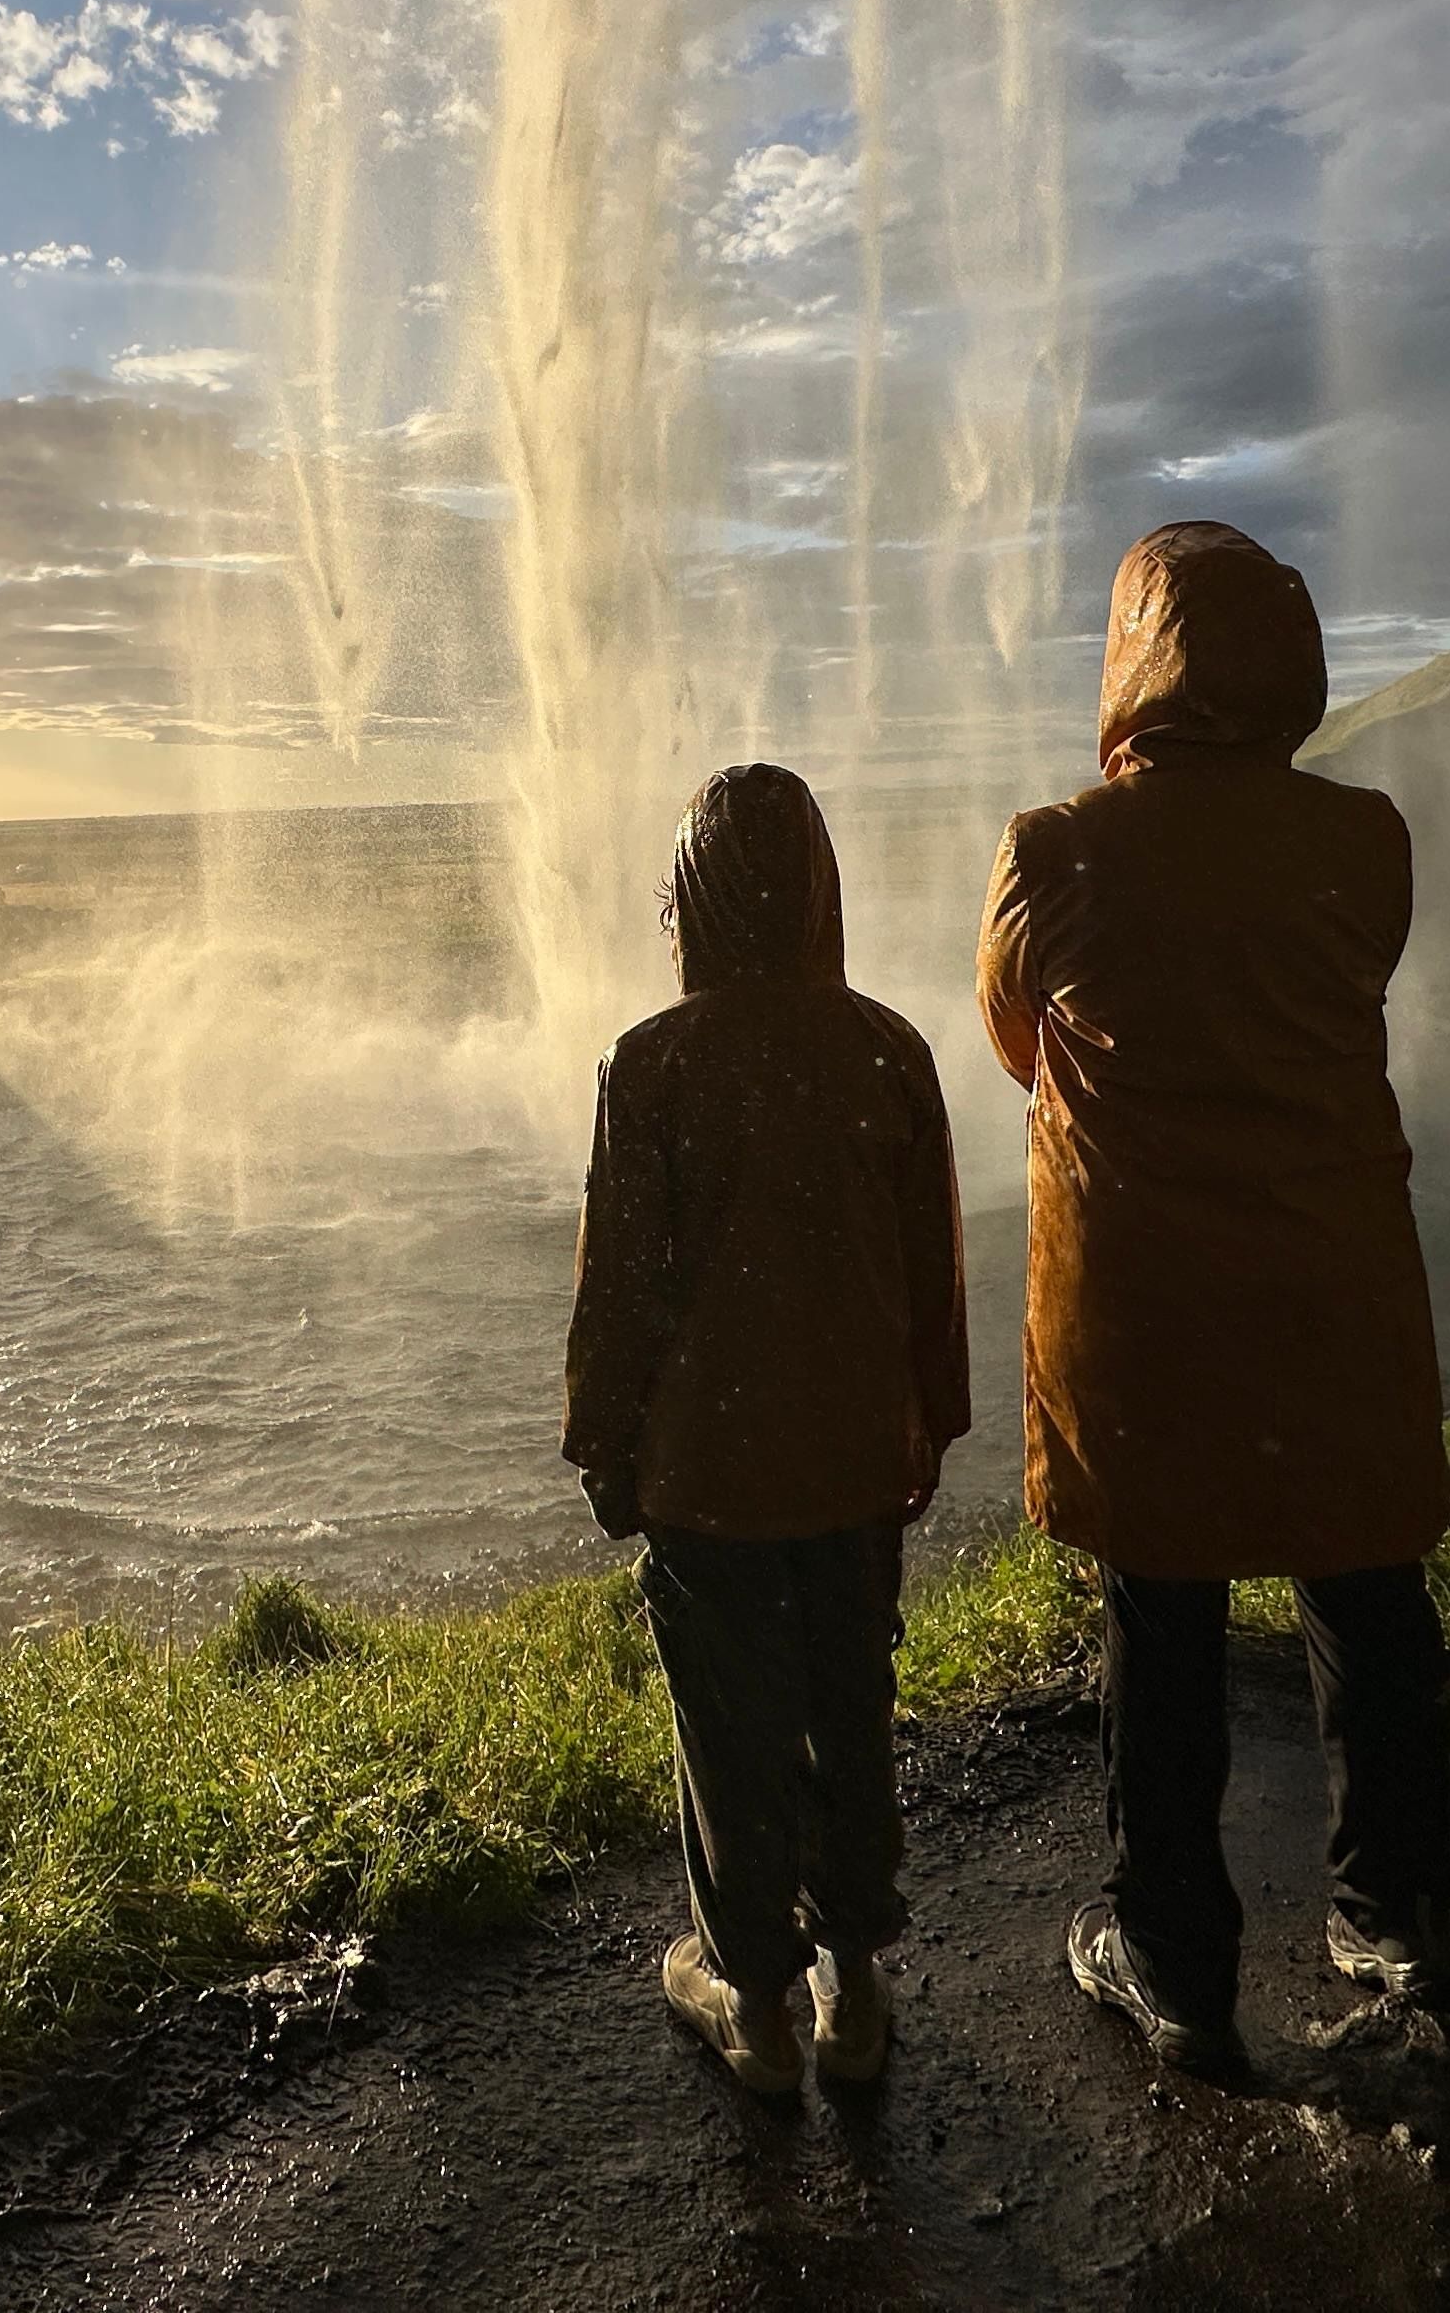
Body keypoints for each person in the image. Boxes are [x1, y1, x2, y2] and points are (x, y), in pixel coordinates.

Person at [976, 522, 1450, 2081]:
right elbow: (1342, 980)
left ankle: (1175, 1960)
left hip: (1146, 1297)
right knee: (1367, 1580)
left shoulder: (1059, 847)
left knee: (1161, 1607)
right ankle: (1396, 1919)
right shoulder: (1365, 836)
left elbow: (1009, 1033)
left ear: (1133, 659)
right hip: (1333, 1273)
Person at [566, 762, 970, 2096]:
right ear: (819, 895)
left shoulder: (651, 1065)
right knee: (852, 1705)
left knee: (726, 1730)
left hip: (710, 1473)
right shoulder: (889, 1050)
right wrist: (932, 1424)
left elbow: (617, 1292)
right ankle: (854, 1990)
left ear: (690, 901)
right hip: (856, 1462)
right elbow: (932, 1276)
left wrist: (605, 1449)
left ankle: (753, 2005)